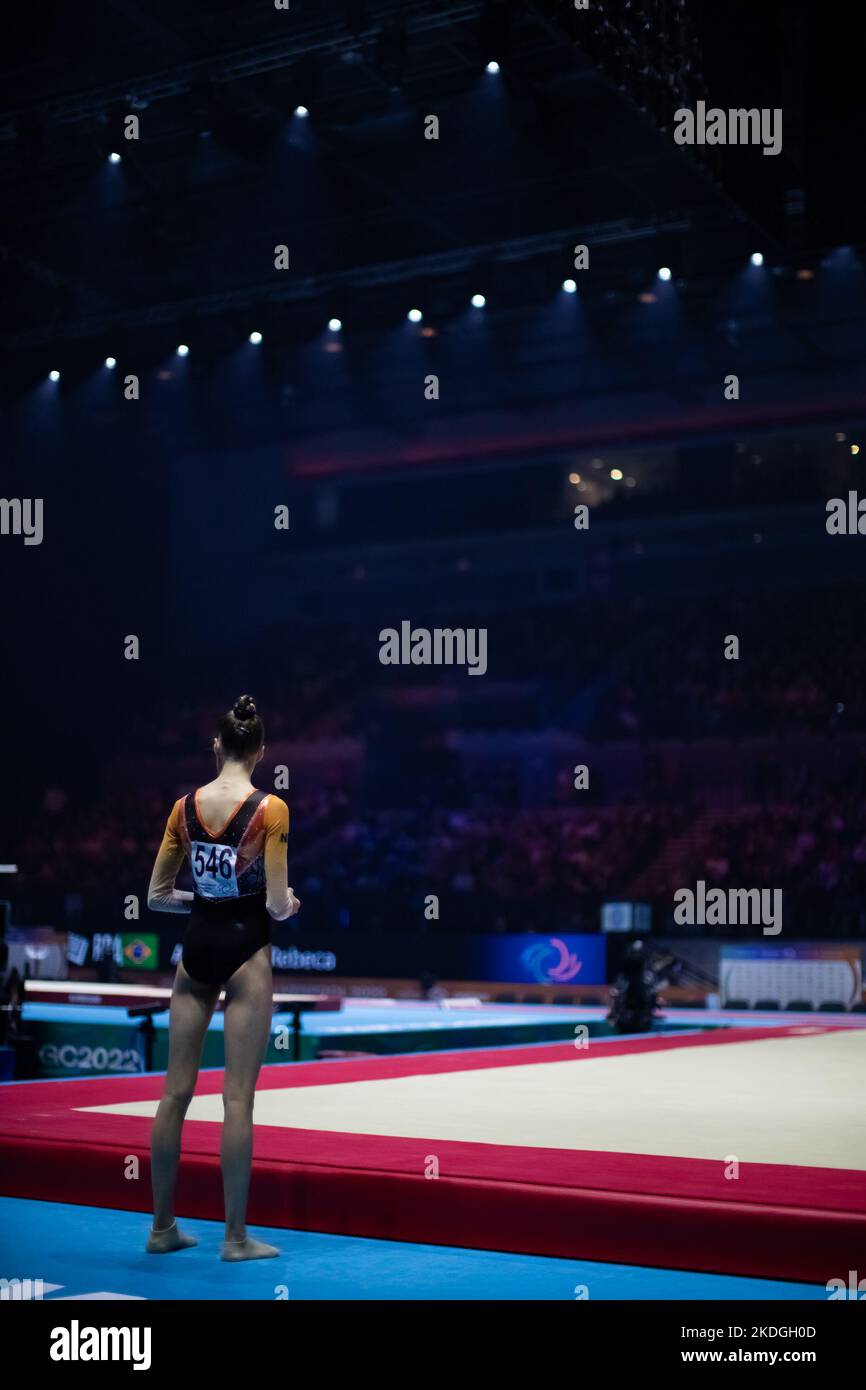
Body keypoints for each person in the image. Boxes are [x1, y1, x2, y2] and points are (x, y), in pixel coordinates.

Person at [146, 694, 299, 1260]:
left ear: (217, 746)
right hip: (246, 948)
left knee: (173, 1094)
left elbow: (156, 897)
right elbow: (279, 905)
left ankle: (162, 1229)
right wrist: (288, 904)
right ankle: (234, 1239)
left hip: (196, 949)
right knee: (237, 1100)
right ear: (260, 752)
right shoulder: (271, 809)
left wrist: (204, 897)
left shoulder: (182, 807)